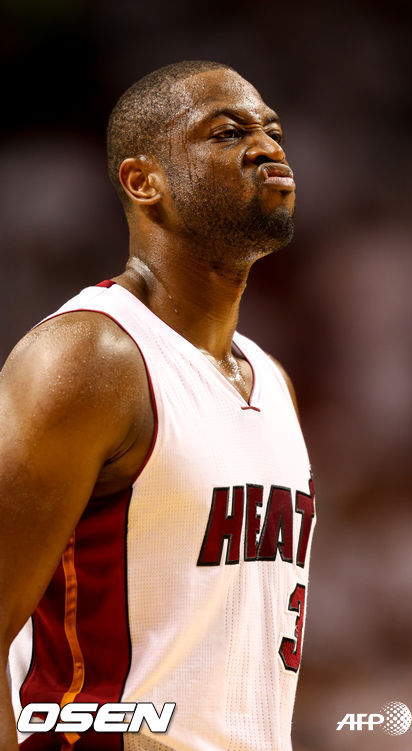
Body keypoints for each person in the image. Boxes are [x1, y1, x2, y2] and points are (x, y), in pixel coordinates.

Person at [0, 60, 316, 751]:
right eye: (228, 132)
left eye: (273, 130)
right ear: (145, 181)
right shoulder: (90, 357)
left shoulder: (271, 379)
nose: (266, 147)